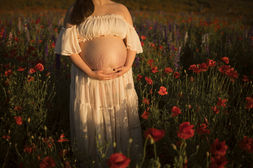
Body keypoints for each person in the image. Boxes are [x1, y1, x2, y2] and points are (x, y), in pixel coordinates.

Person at [54, 0, 143, 167]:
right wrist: (90, 72)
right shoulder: (77, 9)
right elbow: (69, 48)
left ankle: (124, 161)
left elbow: (131, 42)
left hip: (119, 78)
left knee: (121, 118)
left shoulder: (121, 9)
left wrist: (127, 66)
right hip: (89, 80)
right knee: (92, 121)